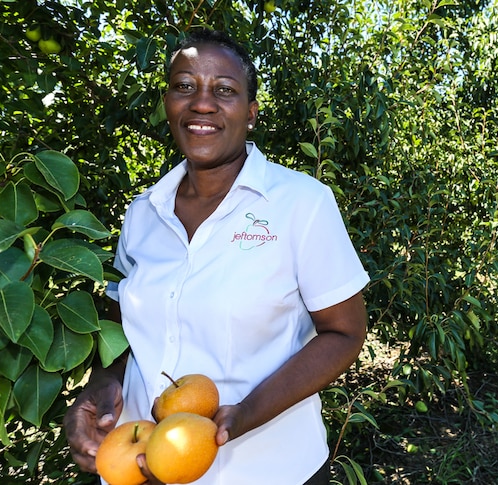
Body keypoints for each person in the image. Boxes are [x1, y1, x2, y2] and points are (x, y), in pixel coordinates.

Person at [63, 28, 370, 485]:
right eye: (184, 86)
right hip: (143, 467)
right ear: (167, 102)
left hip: (271, 470)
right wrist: (102, 384)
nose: (201, 103)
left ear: (250, 113)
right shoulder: (143, 213)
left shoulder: (300, 204)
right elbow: (123, 329)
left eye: (224, 90)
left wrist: (247, 413)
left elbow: (345, 333)